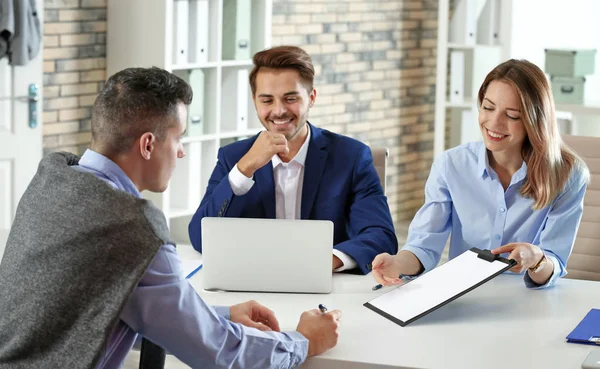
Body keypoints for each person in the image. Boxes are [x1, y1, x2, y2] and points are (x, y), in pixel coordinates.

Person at [0, 67, 341, 369]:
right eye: (178, 138)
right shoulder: (133, 227)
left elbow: (94, 314)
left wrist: (217, 317)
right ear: (148, 145)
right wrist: (303, 341)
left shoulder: (53, 178)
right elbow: (216, 353)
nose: (180, 151)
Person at [371, 59, 589, 289]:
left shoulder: (568, 175)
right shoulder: (451, 164)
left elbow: (554, 261)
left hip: (527, 300)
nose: (494, 123)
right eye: (488, 107)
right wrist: (396, 264)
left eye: (512, 115)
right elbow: (424, 245)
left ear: (535, 121)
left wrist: (536, 260)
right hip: (464, 295)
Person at [188, 45, 398, 274]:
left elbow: (381, 236)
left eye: (290, 99)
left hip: (327, 288)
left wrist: (325, 261)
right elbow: (200, 238)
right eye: (267, 100)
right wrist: (244, 169)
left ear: (311, 97)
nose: (278, 111)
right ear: (255, 100)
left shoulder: (352, 157)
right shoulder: (234, 157)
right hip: (252, 286)